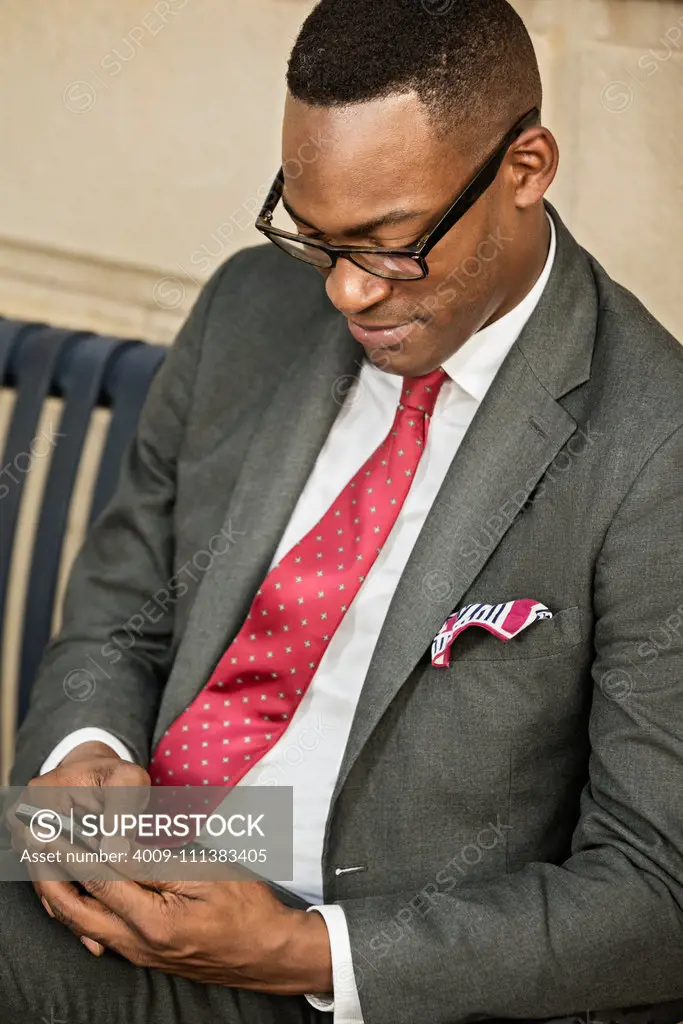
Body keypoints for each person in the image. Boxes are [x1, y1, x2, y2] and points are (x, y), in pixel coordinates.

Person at [3, 1, 683, 1022]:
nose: (345, 294)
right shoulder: (248, 308)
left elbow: (653, 891)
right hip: (149, 864)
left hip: (362, 964)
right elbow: (121, 608)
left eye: (390, 244)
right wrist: (82, 755)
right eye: (315, 237)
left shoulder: (651, 441)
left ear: (525, 167)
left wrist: (297, 949)